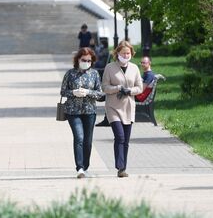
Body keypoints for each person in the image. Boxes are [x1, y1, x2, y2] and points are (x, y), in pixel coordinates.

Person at [60, 47, 105, 179]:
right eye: (83, 60)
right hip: (73, 111)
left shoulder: (94, 74)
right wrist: (73, 92)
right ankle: (79, 167)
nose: (86, 62)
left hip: (89, 111)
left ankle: (85, 166)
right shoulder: (70, 74)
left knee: (88, 141)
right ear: (78, 59)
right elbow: (63, 91)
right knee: (79, 137)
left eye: (89, 60)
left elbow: (100, 93)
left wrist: (88, 92)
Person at [101, 40, 143, 178]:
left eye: (128, 53)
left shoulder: (135, 68)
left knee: (126, 140)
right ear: (117, 53)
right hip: (113, 107)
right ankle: (119, 165)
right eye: (123, 53)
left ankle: (122, 169)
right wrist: (117, 88)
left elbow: (139, 88)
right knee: (119, 136)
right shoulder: (110, 67)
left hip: (129, 108)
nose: (126, 55)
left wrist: (129, 91)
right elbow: (105, 87)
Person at [96, 51, 151, 126]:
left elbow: (142, 88)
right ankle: (107, 114)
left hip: (138, 96)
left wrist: (129, 89)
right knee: (111, 96)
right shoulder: (145, 74)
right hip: (130, 96)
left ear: (149, 63)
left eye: (144, 63)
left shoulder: (149, 75)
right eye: (141, 62)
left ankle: (101, 100)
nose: (142, 64)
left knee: (109, 96)